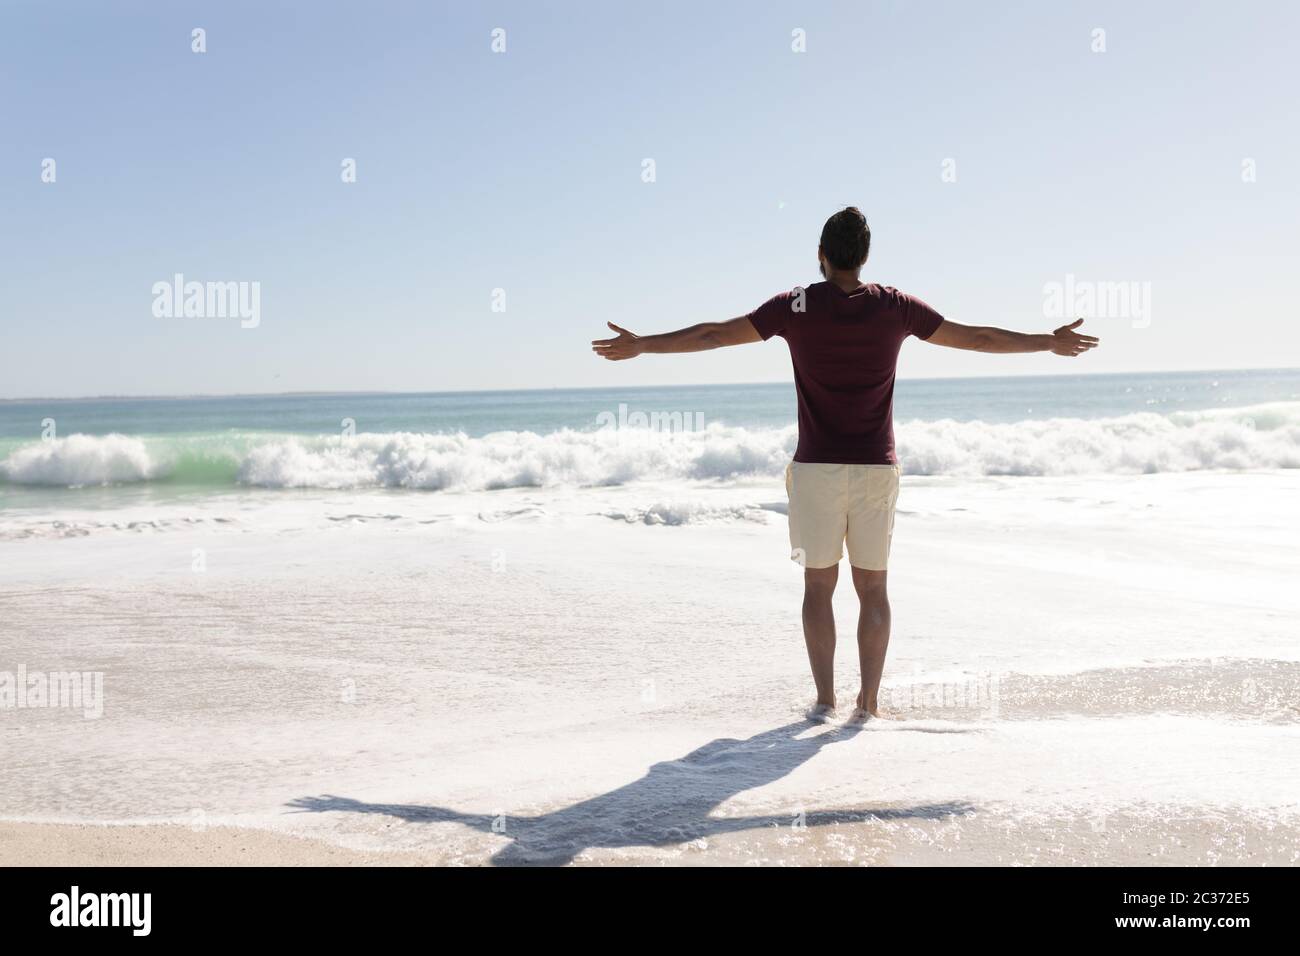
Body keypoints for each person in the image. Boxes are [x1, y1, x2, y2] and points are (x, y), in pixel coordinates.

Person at [591, 206, 1098, 721]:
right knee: (873, 588)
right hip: (877, 469)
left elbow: (713, 335)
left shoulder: (795, 305)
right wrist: (1047, 343)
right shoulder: (896, 307)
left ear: (821, 255)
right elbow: (979, 338)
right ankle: (869, 705)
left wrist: (643, 346)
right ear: (865, 256)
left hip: (816, 470)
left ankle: (825, 701)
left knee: (818, 587)